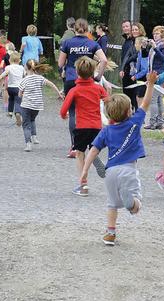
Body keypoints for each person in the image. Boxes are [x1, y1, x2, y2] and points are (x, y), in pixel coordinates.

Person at [80, 73, 158, 246]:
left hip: (110, 172)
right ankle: (132, 204)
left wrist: (85, 171)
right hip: (128, 169)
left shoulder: (106, 131)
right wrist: (151, 84)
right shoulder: (135, 122)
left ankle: (110, 233)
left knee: (112, 204)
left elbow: (93, 150)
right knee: (136, 204)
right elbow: (146, 103)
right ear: (130, 111)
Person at [59, 18, 109, 159]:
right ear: (87, 30)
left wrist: (63, 70)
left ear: (74, 29)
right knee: (90, 109)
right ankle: (93, 145)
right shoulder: (92, 43)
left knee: (73, 112)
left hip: (71, 79)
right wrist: (99, 76)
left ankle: (74, 146)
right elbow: (104, 60)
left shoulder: (67, 43)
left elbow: (60, 62)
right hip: (89, 80)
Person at [60, 57, 110, 196]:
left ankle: (83, 185)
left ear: (77, 72)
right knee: (93, 148)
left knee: (79, 153)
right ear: (93, 71)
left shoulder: (75, 90)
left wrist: (64, 115)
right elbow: (108, 101)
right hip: (96, 126)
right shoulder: (98, 88)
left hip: (81, 126)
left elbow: (64, 109)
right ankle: (93, 157)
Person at [18, 60, 64, 151]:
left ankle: (28, 144)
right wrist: (59, 93)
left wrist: (23, 95)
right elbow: (51, 84)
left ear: (26, 67)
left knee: (26, 124)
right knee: (32, 120)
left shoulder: (24, 80)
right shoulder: (40, 78)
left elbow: (19, 94)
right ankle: (34, 137)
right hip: (37, 106)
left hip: (26, 105)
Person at [0, 52, 26, 124]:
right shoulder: (21, 68)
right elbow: (25, 76)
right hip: (18, 88)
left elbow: (4, 74)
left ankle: (10, 112)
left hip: (10, 88)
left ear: (10, 60)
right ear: (19, 60)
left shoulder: (8, 67)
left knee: (11, 99)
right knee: (18, 101)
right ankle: (18, 113)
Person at [120, 22, 142, 108]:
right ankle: (129, 112)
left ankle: (136, 114)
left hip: (136, 71)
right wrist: (122, 68)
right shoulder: (128, 41)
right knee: (127, 93)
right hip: (127, 70)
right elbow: (126, 56)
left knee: (135, 94)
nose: (125, 28)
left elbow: (135, 55)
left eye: (127, 26)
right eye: (123, 27)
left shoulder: (140, 40)